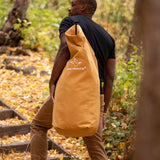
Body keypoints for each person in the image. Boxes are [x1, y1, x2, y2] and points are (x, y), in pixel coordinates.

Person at [30, 0, 115, 159]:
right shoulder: (108, 38)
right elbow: (110, 77)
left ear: (83, 7)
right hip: (95, 95)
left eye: (72, 3)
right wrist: (103, 112)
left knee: (39, 125)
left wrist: (52, 81)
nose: (69, 8)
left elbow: (64, 46)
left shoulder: (71, 22)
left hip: (71, 90)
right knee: (95, 144)